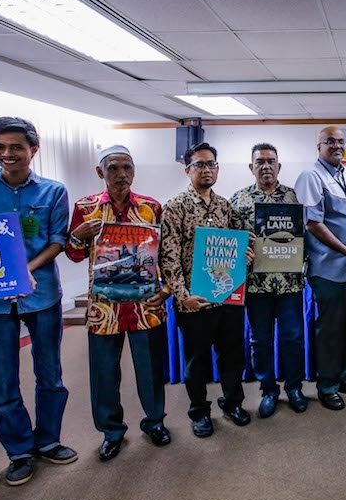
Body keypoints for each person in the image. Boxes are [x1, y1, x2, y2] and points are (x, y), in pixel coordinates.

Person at [0, 117, 77, 486]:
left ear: (33, 149)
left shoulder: (52, 191)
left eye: (16, 147)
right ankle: (19, 451)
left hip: (40, 295)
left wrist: (25, 270)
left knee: (51, 375)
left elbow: (58, 239)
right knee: (3, 380)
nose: (7, 154)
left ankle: (48, 440)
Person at [65, 145, 171, 462]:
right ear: (101, 172)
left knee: (151, 369)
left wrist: (165, 289)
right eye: (113, 168)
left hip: (145, 304)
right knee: (104, 373)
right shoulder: (85, 208)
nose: (121, 174)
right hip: (105, 306)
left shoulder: (152, 207)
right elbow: (73, 254)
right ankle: (111, 432)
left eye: (127, 167)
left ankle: (155, 423)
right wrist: (78, 235)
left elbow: (165, 252)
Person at [161, 142, 255, 437]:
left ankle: (232, 403)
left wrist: (245, 258)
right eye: (200, 164)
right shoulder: (175, 207)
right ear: (187, 170)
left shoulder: (225, 206)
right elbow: (169, 256)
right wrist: (182, 296)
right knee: (197, 361)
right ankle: (199, 411)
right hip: (195, 301)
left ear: (218, 168)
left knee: (232, 356)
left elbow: (232, 251)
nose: (206, 169)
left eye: (211, 164)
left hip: (227, 296)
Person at [230, 143, 308, 417]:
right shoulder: (238, 200)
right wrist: (242, 251)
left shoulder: (294, 198)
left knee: (293, 338)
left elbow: (304, 238)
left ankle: (295, 387)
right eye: (260, 161)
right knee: (260, 340)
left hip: (289, 284)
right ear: (251, 167)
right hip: (256, 286)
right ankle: (268, 390)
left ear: (279, 166)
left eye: (271, 161)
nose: (266, 166)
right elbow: (229, 244)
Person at [294, 127, 346, 411]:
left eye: (341, 142)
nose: (336, 146)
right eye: (330, 142)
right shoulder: (311, 176)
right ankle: (327, 386)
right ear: (319, 146)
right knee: (330, 330)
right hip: (328, 269)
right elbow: (313, 224)